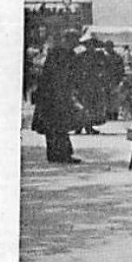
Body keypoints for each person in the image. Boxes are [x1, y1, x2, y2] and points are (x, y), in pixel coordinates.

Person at [30, 30, 82, 163]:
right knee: (56, 125)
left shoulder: (60, 53)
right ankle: (58, 154)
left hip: (56, 94)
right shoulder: (60, 53)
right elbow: (58, 76)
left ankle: (58, 154)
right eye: (74, 40)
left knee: (57, 126)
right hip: (54, 95)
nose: (76, 43)